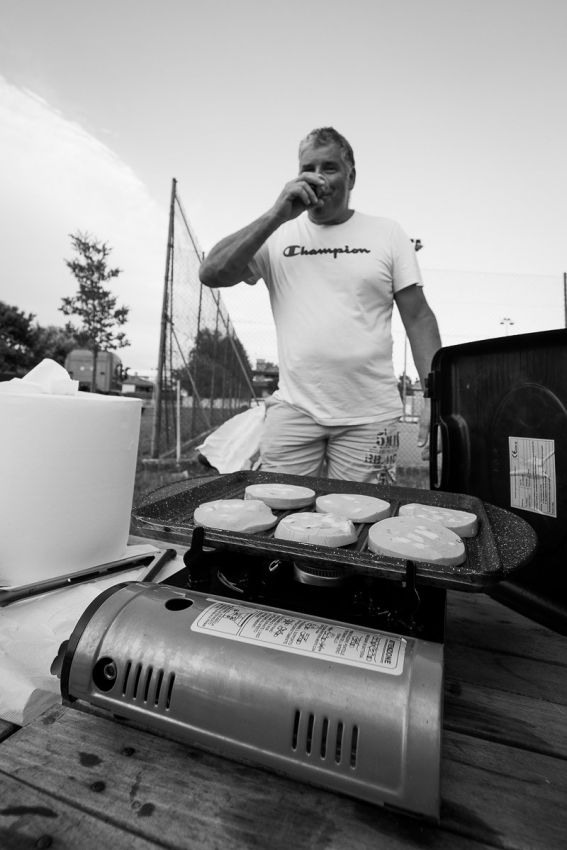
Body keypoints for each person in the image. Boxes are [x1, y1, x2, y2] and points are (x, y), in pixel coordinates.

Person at [199, 127, 441, 483]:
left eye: (329, 167)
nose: (317, 177)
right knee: (279, 508)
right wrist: (276, 214)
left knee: (362, 511)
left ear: (351, 176)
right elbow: (211, 273)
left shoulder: (387, 234)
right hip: (294, 409)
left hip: (370, 416)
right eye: (308, 168)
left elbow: (419, 318)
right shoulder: (277, 234)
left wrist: (435, 396)